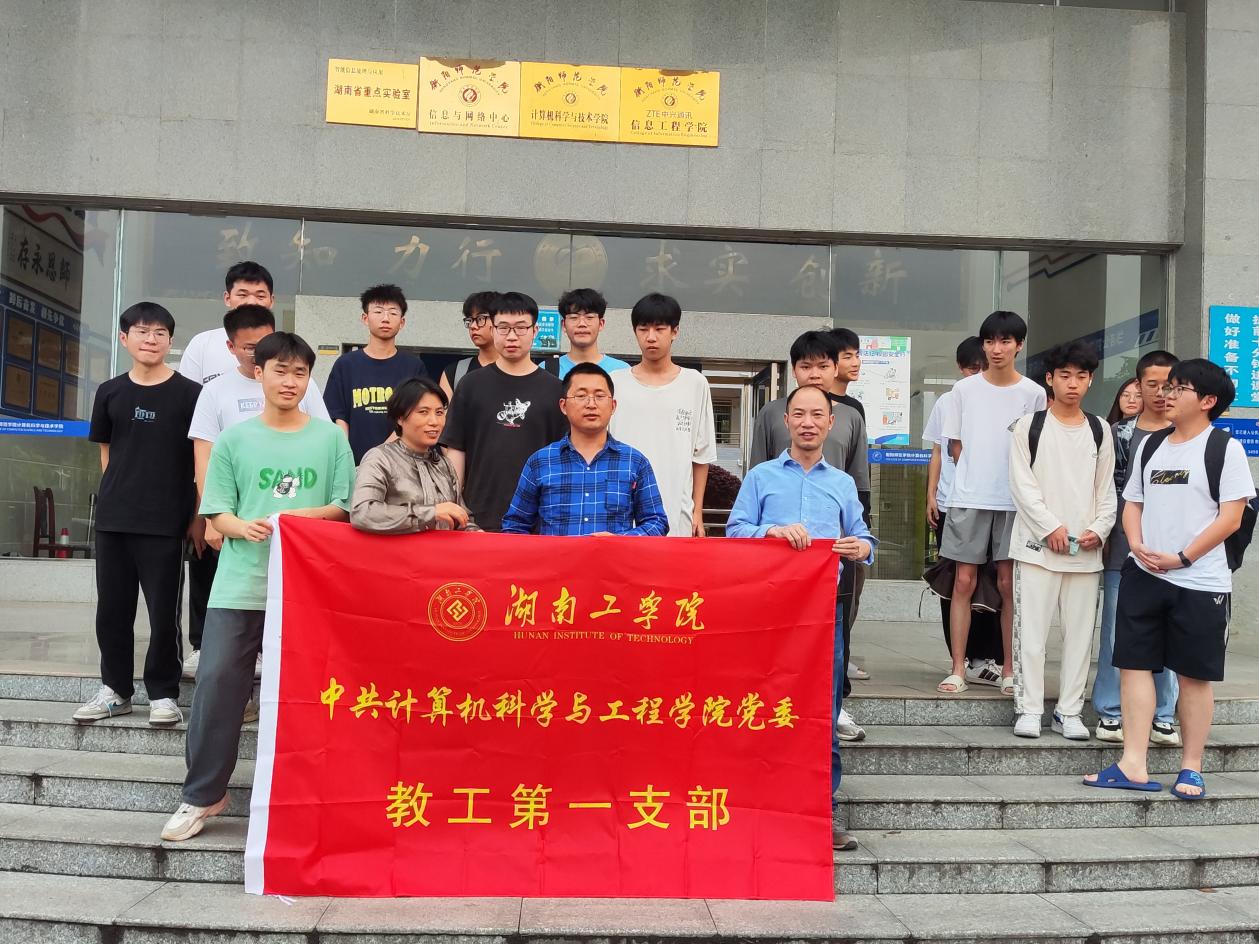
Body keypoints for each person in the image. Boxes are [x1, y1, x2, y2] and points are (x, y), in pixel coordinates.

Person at [161, 332, 354, 842]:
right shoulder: (235, 439)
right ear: (259, 372)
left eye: (300, 373)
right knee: (217, 687)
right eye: (280, 371)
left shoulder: (331, 439)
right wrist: (240, 526)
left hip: (310, 590)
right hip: (241, 584)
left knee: (314, 696)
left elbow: (344, 505)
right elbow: (217, 512)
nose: (290, 382)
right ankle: (203, 794)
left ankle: (311, 796)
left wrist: (299, 517)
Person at [1086, 359, 1255, 797]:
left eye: (1179, 388)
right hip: (1144, 574)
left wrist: (1182, 558)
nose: (1167, 395)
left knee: (1193, 676)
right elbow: (1133, 502)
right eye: (1166, 387)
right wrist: (1137, 544)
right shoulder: (1152, 445)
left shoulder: (1225, 449)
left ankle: (1191, 767)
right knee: (1134, 667)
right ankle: (1133, 764)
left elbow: (1231, 517)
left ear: (1208, 400)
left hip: (1200, 582)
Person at [726, 384, 876, 851]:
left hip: (823, 614)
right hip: (768, 614)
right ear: (785, 420)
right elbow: (735, 530)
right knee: (763, 707)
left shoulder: (843, 484)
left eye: (817, 415)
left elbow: (864, 537)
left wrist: (860, 547)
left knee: (821, 714)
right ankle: (757, 808)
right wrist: (770, 531)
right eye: (798, 414)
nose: (807, 422)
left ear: (831, 423)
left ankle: (820, 813)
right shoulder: (761, 477)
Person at [182, 304, 330, 680]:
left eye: (264, 342)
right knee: (228, 602)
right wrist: (210, 515)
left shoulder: (303, 387)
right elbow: (204, 454)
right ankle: (206, 650)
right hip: (234, 513)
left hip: (295, 521)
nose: (257, 352)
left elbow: (323, 443)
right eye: (250, 347)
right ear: (231, 347)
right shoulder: (215, 391)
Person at [73, 303, 201, 726]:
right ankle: (115, 690)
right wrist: (119, 496)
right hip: (114, 519)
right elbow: (106, 454)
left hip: (165, 521)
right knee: (112, 611)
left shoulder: (189, 394)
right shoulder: (109, 392)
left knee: (164, 614)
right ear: (124, 338)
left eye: (160, 332)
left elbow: (200, 460)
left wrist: (197, 515)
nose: (151, 339)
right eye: (143, 332)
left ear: (170, 341)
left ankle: (163, 694)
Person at [749, 329, 871, 740]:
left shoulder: (850, 418)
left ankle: (834, 714)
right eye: (806, 366)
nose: (814, 373)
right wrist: (772, 531)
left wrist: (861, 543)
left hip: (828, 574)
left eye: (823, 365)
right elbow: (747, 508)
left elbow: (859, 490)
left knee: (832, 651)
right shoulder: (770, 419)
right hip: (774, 579)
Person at [1008, 341, 1115, 739]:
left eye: (1081, 376)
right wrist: (1049, 527)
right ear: (1050, 379)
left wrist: (1099, 529)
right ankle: (1029, 709)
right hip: (1036, 550)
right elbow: (1022, 486)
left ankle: (1069, 712)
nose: (1073, 384)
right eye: (1065, 376)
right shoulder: (1028, 426)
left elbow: (1107, 490)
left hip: (1085, 552)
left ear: (1090, 381)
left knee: (1079, 638)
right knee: (1031, 636)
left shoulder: (1100, 429)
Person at [938, 310, 1046, 695]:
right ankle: (958, 668)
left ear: (1019, 345)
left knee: (1008, 584)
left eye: (1005, 341)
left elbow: (1036, 449)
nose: (996, 349)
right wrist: (972, 477)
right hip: (968, 497)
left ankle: (1010, 670)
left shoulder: (1033, 393)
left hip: (1015, 502)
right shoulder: (963, 391)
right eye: (989, 341)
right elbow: (954, 445)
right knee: (963, 581)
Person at [1093, 351, 1181, 744]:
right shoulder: (1120, 434)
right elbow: (1108, 492)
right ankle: (1110, 711)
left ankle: (1163, 715)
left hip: (1176, 556)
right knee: (1115, 632)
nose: (1161, 393)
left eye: (1169, 385)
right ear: (1138, 385)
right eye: (1152, 384)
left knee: (1170, 633)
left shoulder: (1189, 435)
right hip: (1123, 551)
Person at [440, 291, 567, 532]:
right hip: (478, 517)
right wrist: (454, 505)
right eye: (503, 328)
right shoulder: (471, 384)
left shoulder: (555, 389)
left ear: (535, 331)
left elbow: (563, 456)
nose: (512, 336)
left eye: (520, 328)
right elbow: (456, 448)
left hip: (539, 520)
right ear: (493, 330)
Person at [502, 363, 668, 536]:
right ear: (563, 406)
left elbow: (656, 522)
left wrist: (619, 541)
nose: (591, 404)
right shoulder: (540, 462)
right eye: (581, 396)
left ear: (613, 406)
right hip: (558, 555)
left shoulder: (634, 462)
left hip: (614, 555)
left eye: (600, 396)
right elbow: (515, 525)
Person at [924, 336, 1004, 686]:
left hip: (993, 503)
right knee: (956, 582)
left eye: (982, 368)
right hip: (952, 503)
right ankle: (962, 657)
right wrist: (931, 496)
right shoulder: (949, 400)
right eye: (973, 368)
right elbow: (938, 451)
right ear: (961, 368)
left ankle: (988, 656)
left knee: (994, 582)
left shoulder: (1001, 397)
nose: (978, 373)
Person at [608, 293, 716, 537]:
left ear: (674, 331)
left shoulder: (695, 383)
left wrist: (697, 511)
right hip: (622, 514)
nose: (651, 337)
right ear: (635, 332)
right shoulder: (615, 383)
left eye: (659, 329)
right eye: (643, 329)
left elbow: (701, 455)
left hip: (677, 514)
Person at [350, 377, 478, 534]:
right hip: (398, 550)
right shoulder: (380, 458)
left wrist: (477, 534)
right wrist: (430, 513)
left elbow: (462, 519)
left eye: (439, 413)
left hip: (442, 550)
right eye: (423, 412)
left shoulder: (444, 465)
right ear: (400, 417)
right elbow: (362, 512)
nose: (434, 421)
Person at [324, 284, 429, 464]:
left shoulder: (413, 367)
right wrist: (345, 458)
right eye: (378, 312)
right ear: (365, 318)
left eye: (393, 313)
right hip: (353, 465)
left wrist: (378, 458)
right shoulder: (346, 364)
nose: (385, 318)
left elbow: (416, 417)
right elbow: (338, 416)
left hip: (401, 464)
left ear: (402, 322)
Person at [828, 329, 874, 700]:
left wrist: (863, 523)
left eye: (857, 354)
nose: (855, 362)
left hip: (847, 517)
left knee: (850, 591)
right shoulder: (802, 408)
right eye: (847, 355)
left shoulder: (854, 409)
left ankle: (842, 656)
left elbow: (860, 471)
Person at [178, 261, 275, 386]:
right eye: (242, 295)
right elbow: (187, 393)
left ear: (271, 300)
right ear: (227, 298)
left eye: (260, 296)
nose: (251, 302)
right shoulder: (202, 344)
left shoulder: (285, 347)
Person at [548, 287, 630, 379]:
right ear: (563, 325)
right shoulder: (546, 370)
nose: (582, 324)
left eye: (589, 317)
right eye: (574, 317)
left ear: (601, 324)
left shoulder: (622, 371)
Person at [439, 291, 499, 399]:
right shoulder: (455, 372)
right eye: (470, 320)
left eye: (480, 319)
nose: (473, 326)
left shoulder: (518, 370)